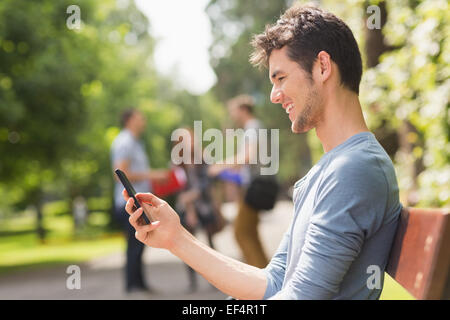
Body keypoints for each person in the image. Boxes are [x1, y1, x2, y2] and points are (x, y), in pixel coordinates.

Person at [122, 5, 402, 299]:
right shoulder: (330, 170)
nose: (273, 95)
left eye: (280, 78)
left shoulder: (353, 170)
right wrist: (176, 238)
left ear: (322, 67)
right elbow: (276, 280)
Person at [110, 108, 168, 293]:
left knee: (139, 243)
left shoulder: (136, 143)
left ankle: (139, 284)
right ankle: (132, 285)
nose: (143, 120)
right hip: (127, 203)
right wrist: (153, 175)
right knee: (134, 244)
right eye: (139, 117)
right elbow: (119, 173)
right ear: (129, 120)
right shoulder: (124, 142)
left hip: (138, 202)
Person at [209, 95, 269, 268]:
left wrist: (220, 166)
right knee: (250, 232)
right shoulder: (252, 128)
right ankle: (266, 272)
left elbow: (247, 157)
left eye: (233, 111)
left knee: (241, 232)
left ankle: (261, 279)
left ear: (243, 110)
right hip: (251, 186)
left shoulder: (252, 127)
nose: (232, 115)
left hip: (253, 189)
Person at [174, 128, 225, 292]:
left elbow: (208, 181)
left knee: (210, 244)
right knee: (187, 245)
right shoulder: (177, 162)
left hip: (204, 204)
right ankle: (192, 281)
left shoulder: (203, 158)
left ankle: (216, 279)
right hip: (186, 206)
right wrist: (189, 209)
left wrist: (195, 194)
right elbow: (179, 188)